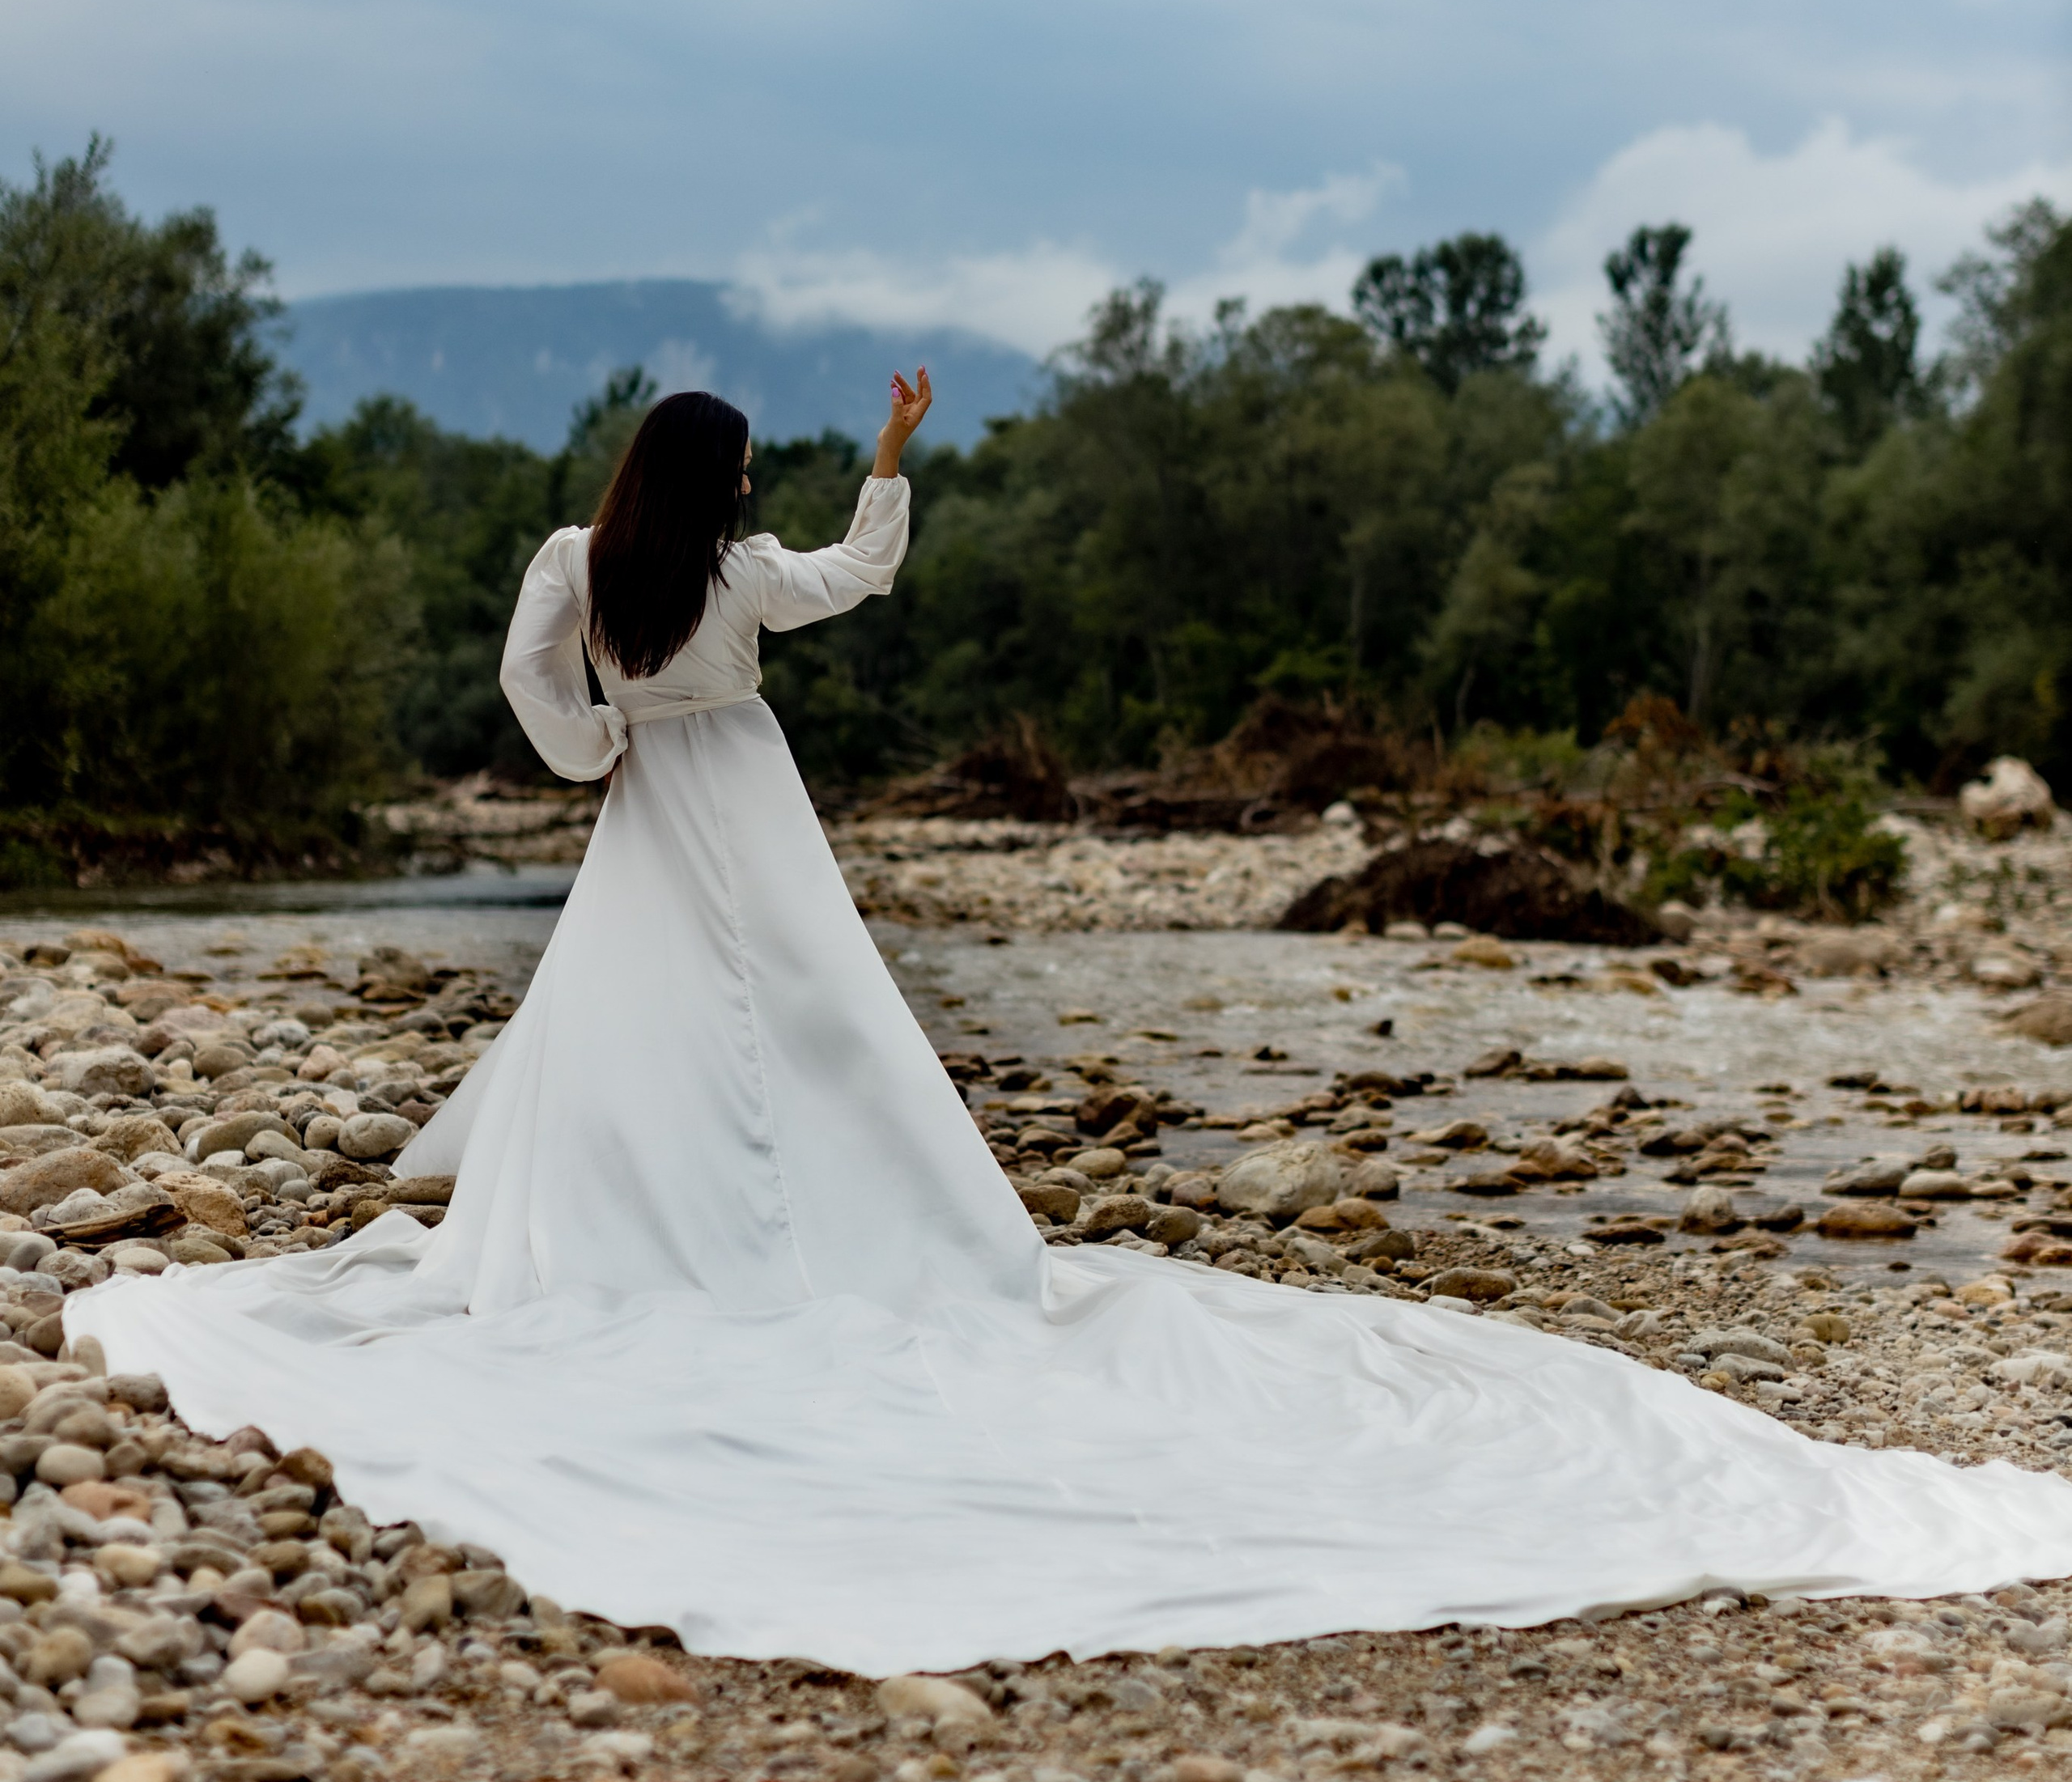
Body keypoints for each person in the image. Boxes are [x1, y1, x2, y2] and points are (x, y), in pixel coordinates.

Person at [73, 378, 2072, 1674]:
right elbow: (857, 576)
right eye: (751, 465)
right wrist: (894, 446)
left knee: (643, 1045)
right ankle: (862, 1243)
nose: (760, 490)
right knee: (823, 1033)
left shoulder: (578, 564)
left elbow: (530, 689)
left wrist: (598, 743)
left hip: (651, 809)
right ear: (720, 482)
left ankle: (640, 1247)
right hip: (749, 803)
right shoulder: (744, 570)